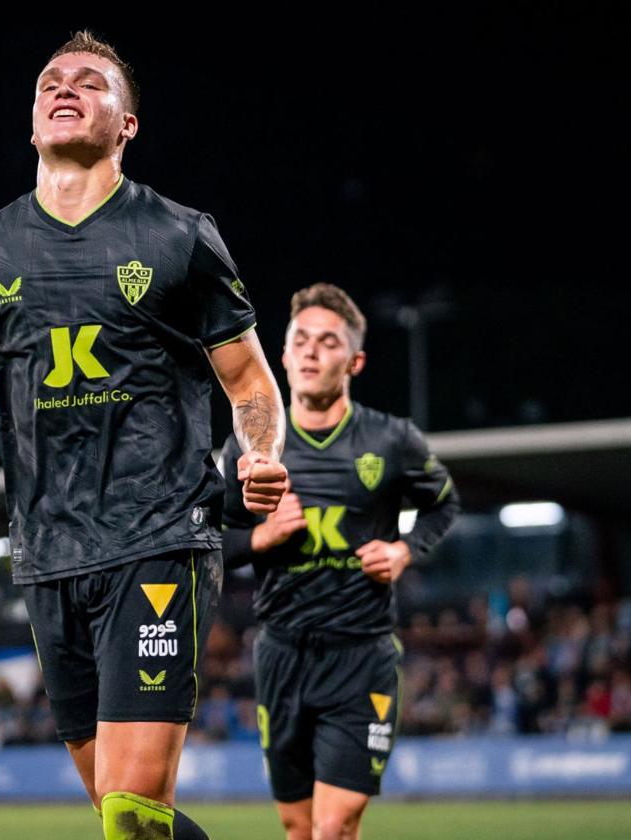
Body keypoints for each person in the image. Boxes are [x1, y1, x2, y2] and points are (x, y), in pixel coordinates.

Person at [0, 31, 288, 840]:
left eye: (90, 82)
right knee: (127, 816)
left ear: (127, 124)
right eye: (50, 83)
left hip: (158, 536)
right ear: (32, 123)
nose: (65, 88)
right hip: (47, 553)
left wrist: (263, 455)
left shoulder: (178, 235)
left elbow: (247, 380)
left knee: (132, 815)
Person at [220, 284, 460, 840]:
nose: (309, 352)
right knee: (298, 829)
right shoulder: (251, 449)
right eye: (299, 340)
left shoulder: (392, 439)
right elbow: (213, 537)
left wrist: (404, 550)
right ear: (280, 355)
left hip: (361, 656)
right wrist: (262, 538)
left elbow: (443, 505)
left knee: (334, 826)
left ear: (354, 361)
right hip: (281, 655)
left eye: (327, 343)